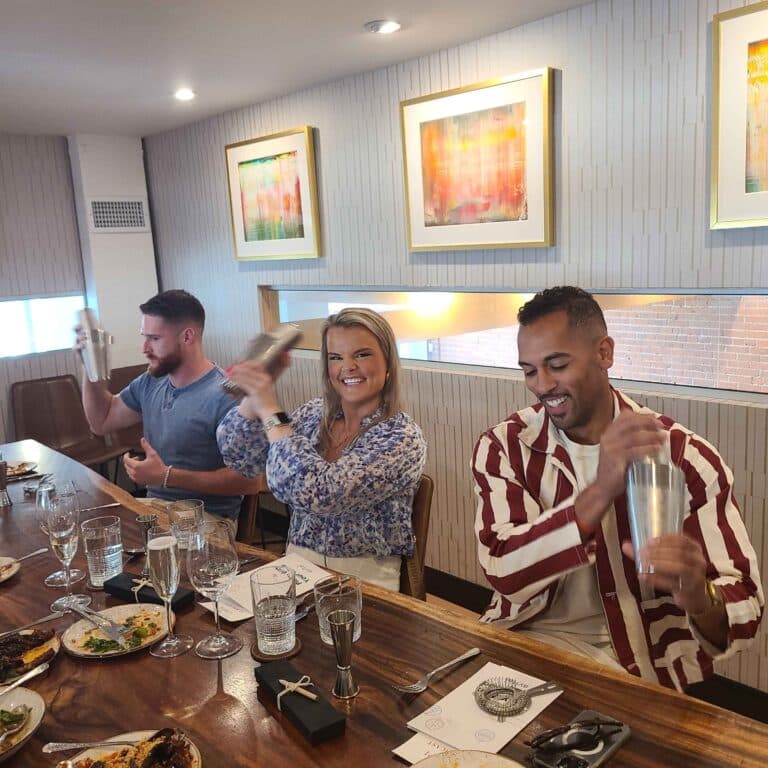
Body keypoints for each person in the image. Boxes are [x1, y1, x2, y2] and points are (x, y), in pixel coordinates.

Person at [472, 286, 763, 690]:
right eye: (529, 370)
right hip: (526, 649)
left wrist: (699, 593)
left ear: (604, 353)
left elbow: (746, 606)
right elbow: (502, 570)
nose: (542, 386)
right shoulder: (505, 446)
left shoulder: (684, 456)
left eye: (557, 364)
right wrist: (602, 486)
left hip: (642, 668)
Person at [216, 307, 427, 591]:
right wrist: (254, 395)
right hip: (297, 567)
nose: (347, 367)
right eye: (335, 357)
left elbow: (322, 494)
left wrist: (270, 408)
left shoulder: (402, 437)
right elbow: (241, 458)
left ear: (388, 362)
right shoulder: (314, 414)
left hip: (366, 583)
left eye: (362, 354)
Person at [77, 289, 258, 532]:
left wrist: (166, 476)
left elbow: (250, 481)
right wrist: (89, 366)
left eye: (154, 338)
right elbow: (102, 421)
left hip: (208, 518)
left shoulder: (227, 395)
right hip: (155, 508)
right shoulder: (151, 381)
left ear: (187, 337)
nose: (144, 348)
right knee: (92, 537)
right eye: (145, 336)